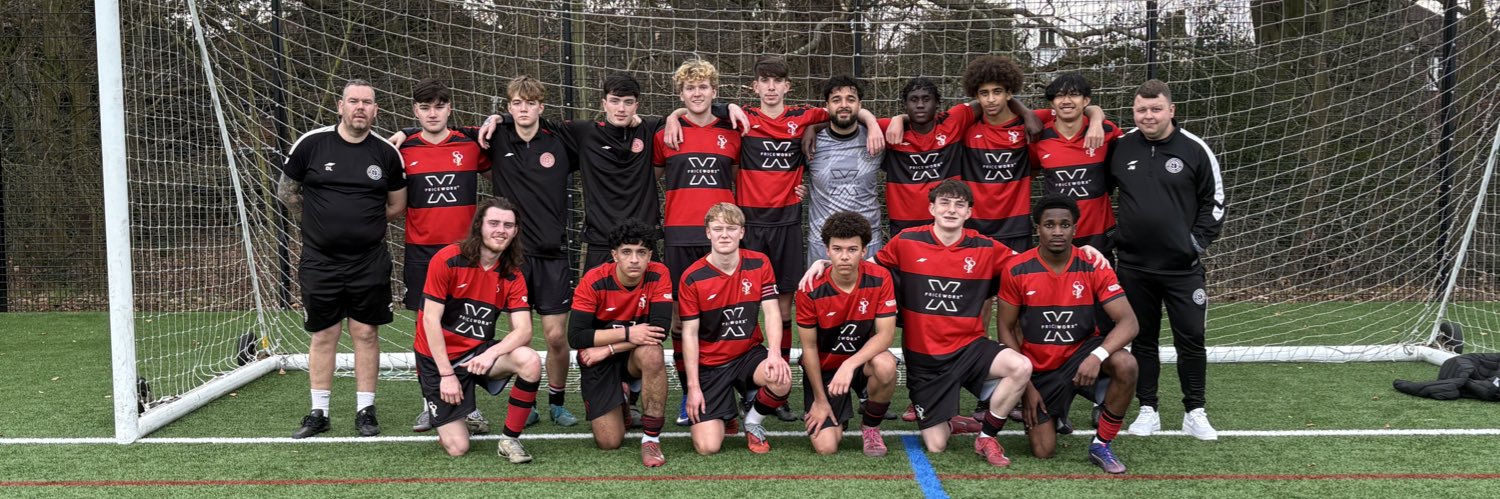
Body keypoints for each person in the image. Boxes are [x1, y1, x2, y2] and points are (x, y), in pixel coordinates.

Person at [671, 60, 882, 416]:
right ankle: (722, 383)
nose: (771, 87)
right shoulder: (739, 117)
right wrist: (672, 117)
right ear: (755, 86)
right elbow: (699, 107)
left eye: (777, 81)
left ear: (788, 86)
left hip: (787, 223)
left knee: (782, 309)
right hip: (749, 224)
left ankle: (777, 385)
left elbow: (845, 109)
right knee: (738, 307)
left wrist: (872, 121)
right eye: (764, 81)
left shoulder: (806, 117)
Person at [277, 79, 406, 438]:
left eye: (367, 102)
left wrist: (363, 224)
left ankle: (365, 410)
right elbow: (287, 193)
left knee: (365, 333)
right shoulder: (312, 144)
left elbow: (397, 204)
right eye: (354, 101)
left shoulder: (385, 153)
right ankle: (319, 412)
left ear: (376, 110)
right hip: (320, 260)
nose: (360, 107)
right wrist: (319, 224)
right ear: (340, 106)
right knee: (324, 334)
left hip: (368, 260)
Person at [1108, 79, 1227, 441]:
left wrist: (1195, 243)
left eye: (1156, 108)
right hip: (1133, 267)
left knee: (1191, 338)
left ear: (1171, 110)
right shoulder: (1120, 147)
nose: (1148, 115)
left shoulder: (1194, 149)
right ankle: (1148, 409)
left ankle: (1195, 411)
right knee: (1142, 340)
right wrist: (1113, 238)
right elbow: (1097, 195)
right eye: (1141, 109)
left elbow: (1216, 200)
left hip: (1182, 270)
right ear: (1134, 112)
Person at [996, 194, 1140, 474]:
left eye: (1065, 224)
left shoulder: (1092, 265)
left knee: (1126, 363)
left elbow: (1129, 323)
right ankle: (1056, 412)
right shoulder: (1017, 268)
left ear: (1075, 227)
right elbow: (1004, 328)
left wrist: (1097, 356)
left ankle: (1102, 444)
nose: (1058, 231)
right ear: (1037, 228)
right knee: (1043, 451)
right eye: (1050, 225)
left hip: (1082, 354)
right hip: (1040, 369)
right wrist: (1026, 386)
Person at [389, 78, 492, 435]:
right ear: (414, 111)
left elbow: (508, 127)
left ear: (450, 108)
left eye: (439, 106)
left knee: (467, 327)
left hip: (467, 252)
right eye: (424, 107)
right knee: (426, 328)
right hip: (421, 253)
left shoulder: (471, 142)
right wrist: (403, 133)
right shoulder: (402, 148)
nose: (432, 114)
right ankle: (429, 403)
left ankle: (470, 407)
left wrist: (497, 118)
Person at [412, 197, 544, 463]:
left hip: (476, 354)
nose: (501, 230)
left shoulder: (513, 273)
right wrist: (446, 374)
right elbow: (430, 321)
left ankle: (510, 439)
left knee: (529, 359)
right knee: (458, 448)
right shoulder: (448, 259)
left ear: (515, 231)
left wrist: (488, 354)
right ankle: (458, 411)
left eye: (508, 225)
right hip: (438, 360)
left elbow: (523, 330)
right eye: (494, 223)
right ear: (479, 226)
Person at [484, 76, 580, 428]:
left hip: (553, 252)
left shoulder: (560, 141)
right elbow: (444, 131)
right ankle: (528, 402)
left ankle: (557, 401)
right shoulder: (496, 138)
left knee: (556, 336)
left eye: (530, 103)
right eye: (516, 104)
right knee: (518, 336)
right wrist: (403, 132)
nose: (523, 109)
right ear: (508, 108)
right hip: (513, 258)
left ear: (541, 106)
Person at [959, 56, 1106, 251]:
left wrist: (1096, 120)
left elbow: (1075, 110)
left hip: (1016, 227)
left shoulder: (1032, 123)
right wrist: (901, 118)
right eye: (984, 93)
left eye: (997, 92)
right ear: (976, 96)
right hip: (974, 226)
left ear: (1009, 93)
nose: (991, 99)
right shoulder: (965, 128)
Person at [679, 203, 791, 455]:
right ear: (708, 232)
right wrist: (693, 388)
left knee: (781, 377)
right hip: (711, 363)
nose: (724, 234)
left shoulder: (759, 263)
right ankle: (725, 410)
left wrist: (774, 354)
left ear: (742, 232)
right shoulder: (692, 277)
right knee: (707, 447)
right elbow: (689, 335)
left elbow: (772, 312)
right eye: (717, 228)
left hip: (747, 354)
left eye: (731, 228)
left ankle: (752, 421)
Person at [567, 218, 673, 467]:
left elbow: (659, 332)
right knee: (609, 442)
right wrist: (629, 334)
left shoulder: (659, 274)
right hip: (600, 361)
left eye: (641, 252)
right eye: (627, 252)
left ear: (649, 256)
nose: (634, 259)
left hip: (626, 354)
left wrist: (611, 347)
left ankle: (651, 440)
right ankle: (624, 398)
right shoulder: (594, 279)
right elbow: (576, 336)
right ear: (614, 255)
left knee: (652, 353)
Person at [795, 211, 899, 457]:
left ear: (864, 251)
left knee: (886, 365)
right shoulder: (810, 288)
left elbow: (885, 336)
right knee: (826, 447)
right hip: (826, 370)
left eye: (852, 249)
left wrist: (850, 364)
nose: (844, 257)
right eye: (837, 249)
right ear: (826, 250)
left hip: (861, 363)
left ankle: (871, 427)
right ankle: (836, 408)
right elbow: (808, 349)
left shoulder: (880, 277)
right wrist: (820, 401)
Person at [1030, 73, 1122, 255]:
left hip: (1099, 234)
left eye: (1073, 94)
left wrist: (1096, 120)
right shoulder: (1039, 138)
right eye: (1059, 95)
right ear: (1052, 103)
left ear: (1086, 100)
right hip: (1058, 237)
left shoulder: (1107, 131)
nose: (1066, 100)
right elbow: (1031, 172)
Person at [802, 75, 886, 266]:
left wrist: (872, 122)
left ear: (860, 105)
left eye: (851, 99)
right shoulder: (810, 142)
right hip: (823, 245)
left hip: (868, 243)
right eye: (836, 100)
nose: (844, 105)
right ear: (827, 106)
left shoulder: (877, 138)